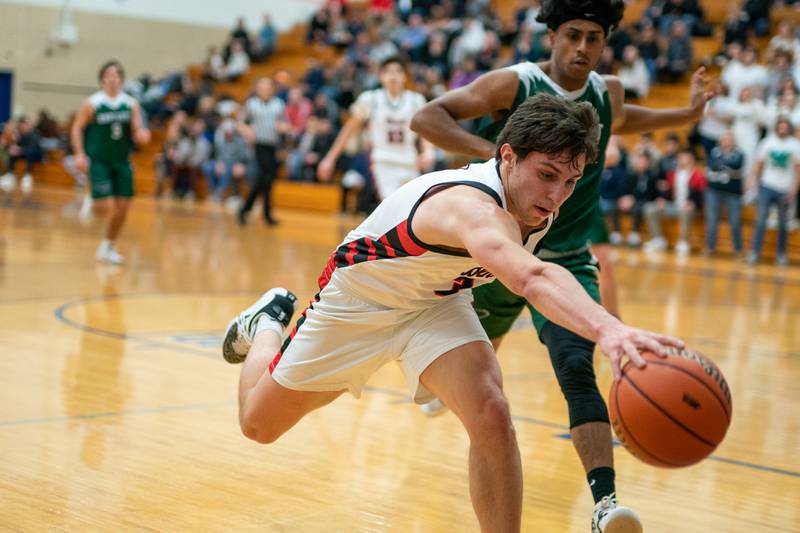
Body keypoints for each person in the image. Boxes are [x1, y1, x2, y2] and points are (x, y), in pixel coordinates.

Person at [222, 94, 684, 533]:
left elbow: (543, 269)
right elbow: (532, 279)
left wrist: (605, 325)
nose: (557, 194)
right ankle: (266, 323)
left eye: (569, 182)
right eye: (546, 174)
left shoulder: (537, 204)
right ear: (507, 157)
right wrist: (611, 331)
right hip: (359, 301)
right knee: (258, 425)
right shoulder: (471, 208)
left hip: (437, 302)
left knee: (491, 410)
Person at [409, 1, 714, 531]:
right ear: (551, 35)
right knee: (468, 384)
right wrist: (502, 155)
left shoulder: (607, 93)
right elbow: (426, 117)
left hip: (568, 260)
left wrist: (686, 115)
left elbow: (627, 119)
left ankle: (605, 505)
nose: (582, 48)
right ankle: (444, 380)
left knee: (578, 371)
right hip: (499, 258)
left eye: (594, 38)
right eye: (572, 35)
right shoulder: (513, 83)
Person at [317, 57, 435, 202]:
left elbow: (425, 131)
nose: (393, 75)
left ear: (405, 76)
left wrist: (429, 151)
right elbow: (348, 130)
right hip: (383, 162)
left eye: (398, 71)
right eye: (388, 71)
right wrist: (330, 158)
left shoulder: (416, 100)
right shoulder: (370, 99)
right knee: (392, 208)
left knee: (412, 210)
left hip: (409, 161)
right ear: (381, 76)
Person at [71, 60, 150, 265]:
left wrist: (142, 135)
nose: (112, 78)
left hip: (122, 161)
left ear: (122, 80)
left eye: (116, 75)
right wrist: (79, 154)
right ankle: (92, 200)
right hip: (99, 161)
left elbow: (137, 129)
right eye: (109, 75)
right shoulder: (93, 103)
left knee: (123, 207)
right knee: (103, 206)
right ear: (102, 79)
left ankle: (108, 246)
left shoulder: (131, 103)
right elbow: (77, 128)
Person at [746, 117, 800, 266]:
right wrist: (752, 182)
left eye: (785, 127)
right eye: (780, 127)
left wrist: (794, 189)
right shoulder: (767, 142)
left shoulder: (795, 145)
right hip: (767, 187)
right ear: (776, 128)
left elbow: (797, 170)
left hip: (785, 189)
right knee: (761, 221)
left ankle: (781, 255)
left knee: (783, 224)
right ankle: (754, 253)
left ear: (788, 128)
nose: (782, 129)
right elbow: (758, 164)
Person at [238, 77, 287, 226]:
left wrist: (283, 127)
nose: (265, 89)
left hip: (273, 145)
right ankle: (266, 215)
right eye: (262, 86)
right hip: (258, 145)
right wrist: (246, 129)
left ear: (272, 89)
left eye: (267, 87)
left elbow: (284, 123)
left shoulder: (279, 104)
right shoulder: (251, 104)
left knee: (265, 180)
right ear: (257, 88)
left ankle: (245, 210)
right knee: (267, 178)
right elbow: (240, 123)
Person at [642, 149, 706, 256]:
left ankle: (683, 241)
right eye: (679, 157)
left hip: (690, 207)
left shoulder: (698, 175)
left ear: (691, 158)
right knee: (650, 208)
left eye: (683, 157)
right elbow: (668, 193)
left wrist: (693, 203)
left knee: (685, 211)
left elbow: (701, 194)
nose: (680, 159)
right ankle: (658, 239)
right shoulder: (672, 174)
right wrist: (662, 199)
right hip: (674, 205)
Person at [704, 130, 745, 256]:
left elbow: (736, 166)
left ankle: (738, 250)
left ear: (734, 141)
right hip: (714, 190)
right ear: (720, 140)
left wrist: (721, 167)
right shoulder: (714, 151)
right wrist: (727, 170)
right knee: (712, 220)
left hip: (733, 192)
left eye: (729, 138)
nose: (727, 141)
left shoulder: (739, 154)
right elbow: (712, 166)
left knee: (735, 221)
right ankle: (710, 248)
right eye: (725, 138)